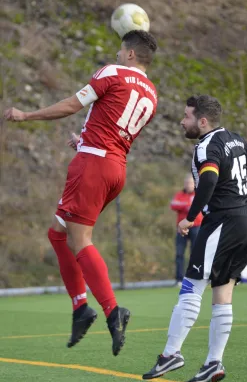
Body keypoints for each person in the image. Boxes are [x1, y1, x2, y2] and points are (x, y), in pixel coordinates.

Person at [4, 30, 158, 356]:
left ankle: (113, 311)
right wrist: (85, 142)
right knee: (58, 233)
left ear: (130, 54)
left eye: (121, 48)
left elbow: (72, 105)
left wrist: (26, 115)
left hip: (93, 166)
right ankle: (79, 309)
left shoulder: (112, 72)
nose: (117, 53)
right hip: (115, 168)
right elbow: (115, 130)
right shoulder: (152, 93)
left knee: (80, 240)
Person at [142, 94, 247, 382]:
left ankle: (170, 354)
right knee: (222, 292)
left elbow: (208, 181)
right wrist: (239, 191)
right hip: (246, 221)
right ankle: (213, 362)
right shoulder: (235, 139)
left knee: (191, 287)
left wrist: (190, 217)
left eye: (186, 117)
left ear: (203, 121)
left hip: (221, 223)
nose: (183, 122)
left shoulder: (206, 146)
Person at [170, 174, 203, 284]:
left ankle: (195, 277)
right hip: (181, 228)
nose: (188, 185)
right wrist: (186, 206)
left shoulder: (199, 194)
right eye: (186, 183)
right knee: (179, 253)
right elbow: (174, 204)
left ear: (194, 184)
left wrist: (190, 206)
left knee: (196, 253)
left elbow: (200, 206)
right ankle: (179, 278)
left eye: (190, 183)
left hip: (196, 227)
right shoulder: (180, 195)